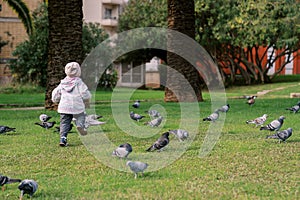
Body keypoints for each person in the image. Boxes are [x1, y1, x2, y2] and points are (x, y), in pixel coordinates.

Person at [51, 62, 91, 147]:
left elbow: (56, 93)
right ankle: (80, 126)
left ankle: (63, 138)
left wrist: (55, 100)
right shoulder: (79, 82)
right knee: (81, 116)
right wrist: (87, 98)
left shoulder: (63, 83)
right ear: (78, 71)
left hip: (64, 106)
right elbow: (85, 93)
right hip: (77, 105)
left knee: (64, 123)